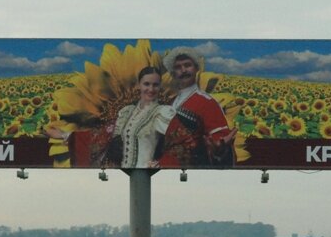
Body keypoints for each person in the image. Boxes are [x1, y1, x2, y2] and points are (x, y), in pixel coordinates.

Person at [46, 66, 174, 169]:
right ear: (139, 85)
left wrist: (163, 162)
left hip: (146, 176)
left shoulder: (163, 113)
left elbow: (179, 141)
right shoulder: (127, 112)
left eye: (155, 85)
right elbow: (102, 135)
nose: (151, 89)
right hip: (121, 175)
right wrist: (65, 135)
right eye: (146, 84)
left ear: (160, 86)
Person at [158, 47, 235, 168]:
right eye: (178, 67)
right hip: (162, 170)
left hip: (192, 172)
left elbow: (220, 141)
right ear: (172, 73)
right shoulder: (170, 103)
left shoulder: (207, 102)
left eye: (187, 65)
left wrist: (219, 148)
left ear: (196, 68)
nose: (183, 70)